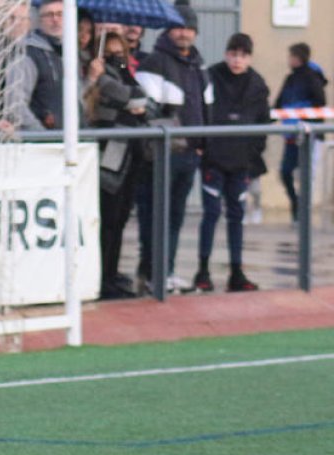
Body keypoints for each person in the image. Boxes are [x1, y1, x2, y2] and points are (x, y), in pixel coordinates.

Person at [132, 2, 208, 294]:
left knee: (176, 216)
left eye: (188, 28)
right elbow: (148, 111)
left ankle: (169, 270)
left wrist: (202, 146)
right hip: (161, 156)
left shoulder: (198, 65)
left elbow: (205, 109)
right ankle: (153, 272)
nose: (183, 33)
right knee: (155, 216)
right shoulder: (155, 62)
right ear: (168, 29)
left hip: (189, 155)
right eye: (178, 27)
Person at [195, 33, 270, 293]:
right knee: (211, 214)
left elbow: (263, 125)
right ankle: (202, 270)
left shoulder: (257, 85)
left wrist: (251, 160)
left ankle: (236, 272)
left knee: (236, 217)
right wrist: (203, 149)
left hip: (241, 164)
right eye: (233, 54)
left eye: (242, 55)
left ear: (249, 57)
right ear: (227, 53)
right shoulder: (211, 76)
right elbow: (201, 113)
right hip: (213, 161)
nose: (237, 60)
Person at [86, 32, 148, 299]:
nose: (117, 58)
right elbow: (126, 96)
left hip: (130, 155)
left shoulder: (124, 73)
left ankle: (112, 274)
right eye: (111, 53)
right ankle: (101, 278)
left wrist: (133, 102)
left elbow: (144, 99)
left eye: (120, 53)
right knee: (108, 218)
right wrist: (131, 103)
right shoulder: (98, 74)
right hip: (110, 153)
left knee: (121, 217)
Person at [274, 42, 328, 225]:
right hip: (291, 135)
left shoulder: (312, 78)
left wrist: (300, 110)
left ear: (298, 57)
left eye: (291, 56)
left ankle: (303, 214)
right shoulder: (290, 79)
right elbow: (278, 104)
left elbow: (320, 102)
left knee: (306, 176)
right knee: (285, 172)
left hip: (310, 136)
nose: (289, 60)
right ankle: (296, 205)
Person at [11, 0, 65, 130]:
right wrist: (41, 135)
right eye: (49, 15)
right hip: (44, 143)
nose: (55, 19)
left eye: (60, 14)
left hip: (71, 139)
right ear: (38, 20)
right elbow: (15, 105)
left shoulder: (67, 53)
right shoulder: (28, 53)